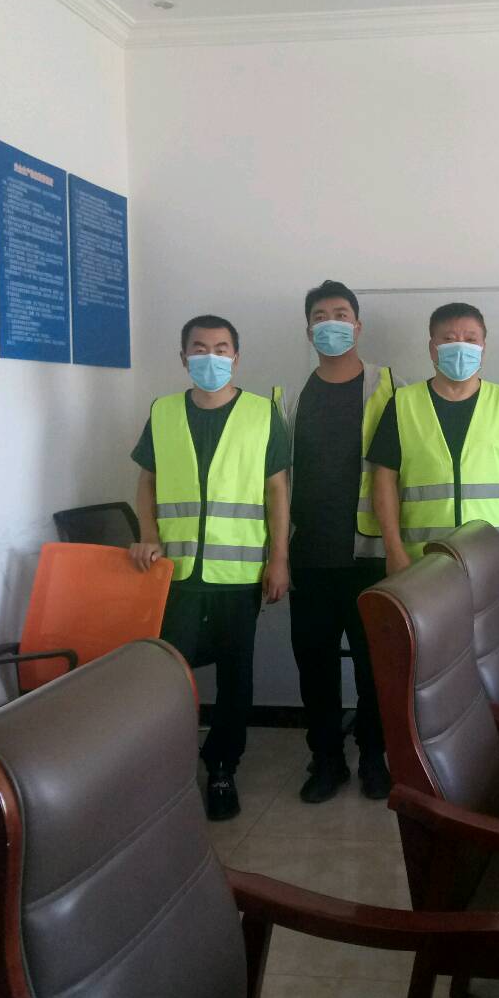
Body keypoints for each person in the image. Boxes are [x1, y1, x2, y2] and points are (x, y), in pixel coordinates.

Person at [129, 314, 290, 821]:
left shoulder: (263, 413)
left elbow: (278, 491)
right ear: (183, 358)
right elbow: (148, 481)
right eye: (199, 348)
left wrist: (279, 559)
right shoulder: (163, 411)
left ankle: (222, 766)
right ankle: (169, 767)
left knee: (236, 674)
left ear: (236, 358)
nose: (211, 357)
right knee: (171, 675)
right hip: (176, 573)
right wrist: (148, 535)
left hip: (238, 573)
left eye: (221, 348)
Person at [280, 280, 397, 804]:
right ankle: (327, 759)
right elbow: (277, 482)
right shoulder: (290, 397)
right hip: (308, 556)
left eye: (342, 314)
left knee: (376, 667)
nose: (332, 323)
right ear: (309, 330)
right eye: (321, 316)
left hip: (371, 557)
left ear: (358, 325)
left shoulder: (389, 388)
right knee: (316, 667)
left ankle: (374, 757)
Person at [369, 301, 499, 596]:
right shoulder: (402, 404)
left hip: (491, 561)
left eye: (470, 339)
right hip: (420, 562)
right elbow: (383, 481)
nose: (460, 347)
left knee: (491, 629)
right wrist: (393, 549)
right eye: (449, 339)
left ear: (483, 347)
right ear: (432, 348)